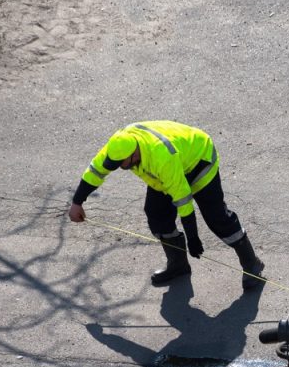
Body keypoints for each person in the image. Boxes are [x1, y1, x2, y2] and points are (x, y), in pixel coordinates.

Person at [67, 121, 264, 291]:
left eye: (122, 163)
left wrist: (193, 239)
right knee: (157, 214)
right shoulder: (117, 146)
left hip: (198, 159)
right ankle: (178, 264)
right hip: (168, 168)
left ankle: (252, 264)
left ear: (134, 154)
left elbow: (183, 200)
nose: (119, 166)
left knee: (216, 218)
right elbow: (95, 172)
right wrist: (77, 202)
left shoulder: (161, 157)